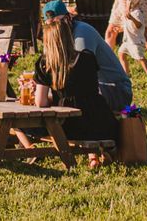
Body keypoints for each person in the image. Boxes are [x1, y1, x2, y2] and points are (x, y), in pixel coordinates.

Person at [32, 11, 118, 159]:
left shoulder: (45, 64)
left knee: (20, 125)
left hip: (69, 125)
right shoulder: (87, 57)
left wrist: (54, 97)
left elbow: (41, 102)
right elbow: (90, 90)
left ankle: (28, 148)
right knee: (87, 110)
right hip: (100, 121)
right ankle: (95, 155)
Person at [47, 0, 132, 113]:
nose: (57, 28)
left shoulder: (82, 33)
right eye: (51, 25)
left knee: (76, 96)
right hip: (97, 88)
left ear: (68, 17)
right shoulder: (55, 37)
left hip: (117, 90)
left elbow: (81, 75)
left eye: (59, 23)